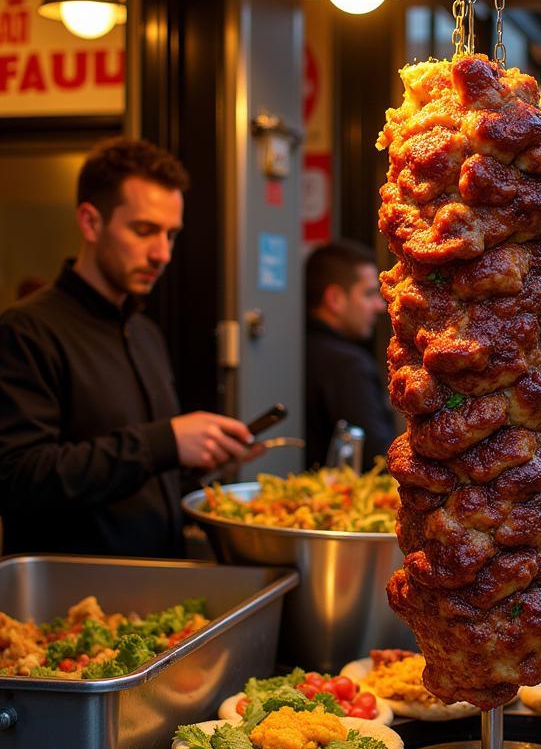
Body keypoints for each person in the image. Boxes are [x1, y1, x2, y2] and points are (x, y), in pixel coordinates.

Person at [0, 137, 258, 558]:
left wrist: (199, 463)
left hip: (155, 589)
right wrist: (165, 442)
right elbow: (17, 477)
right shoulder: (28, 330)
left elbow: (135, 477)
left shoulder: (145, 334)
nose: (162, 254)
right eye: (144, 231)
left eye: (171, 235)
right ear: (90, 222)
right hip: (72, 602)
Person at [305, 240, 395, 469]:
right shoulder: (348, 365)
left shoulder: (300, 349)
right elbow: (377, 458)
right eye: (369, 294)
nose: (379, 306)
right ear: (335, 299)